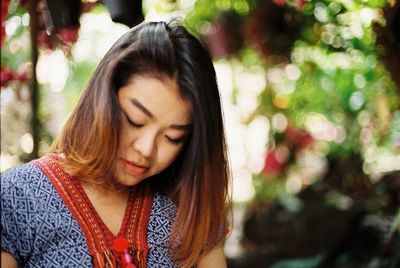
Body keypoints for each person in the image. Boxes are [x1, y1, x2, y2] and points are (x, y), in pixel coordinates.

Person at [1, 20, 231, 268]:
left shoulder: (190, 207)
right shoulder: (18, 195)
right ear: (103, 98)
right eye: (135, 121)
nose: (146, 148)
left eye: (172, 138)